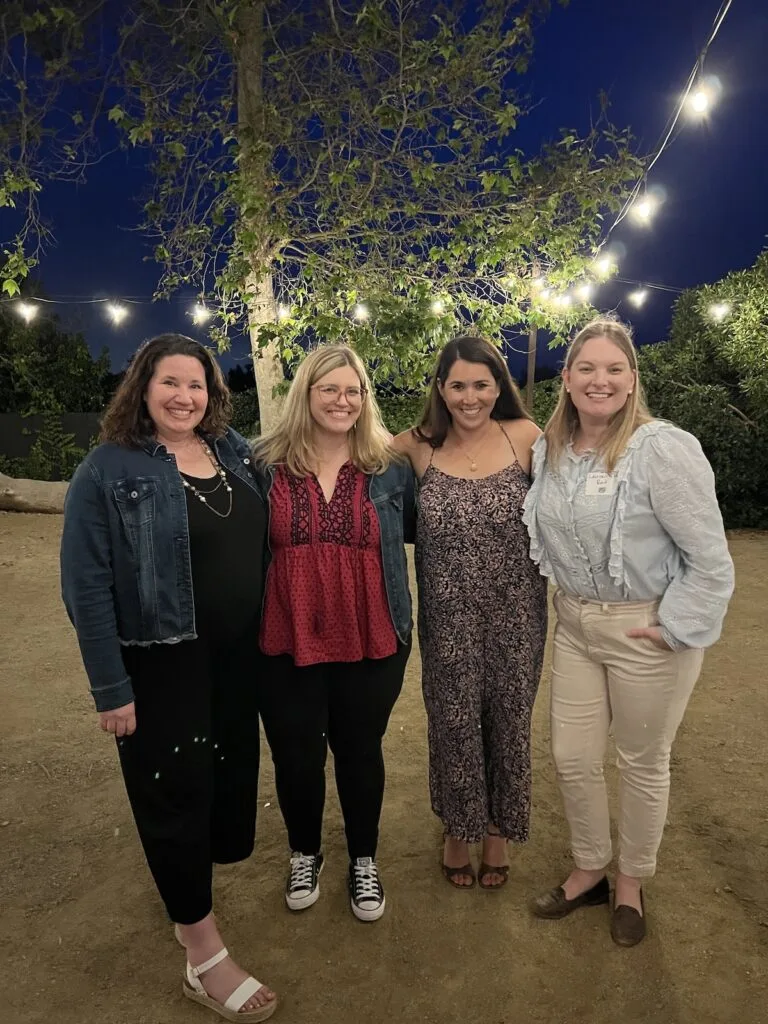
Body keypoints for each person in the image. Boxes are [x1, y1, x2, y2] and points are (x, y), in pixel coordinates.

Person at [60, 334, 277, 1022]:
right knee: (175, 798)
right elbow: (86, 585)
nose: (185, 397)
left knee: (218, 790)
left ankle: (184, 893)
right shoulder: (108, 468)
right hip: (160, 662)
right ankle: (204, 958)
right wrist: (110, 687)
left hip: (238, 661)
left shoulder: (235, 453)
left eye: (198, 385)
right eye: (170, 383)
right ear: (141, 389)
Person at [523, 316, 734, 947]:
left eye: (614, 369)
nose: (600, 380)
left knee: (642, 762)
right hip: (576, 625)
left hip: (645, 628)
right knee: (572, 758)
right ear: (566, 379)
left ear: (632, 378)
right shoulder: (550, 449)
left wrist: (673, 627)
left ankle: (631, 882)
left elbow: (711, 559)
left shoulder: (661, 448)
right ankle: (589, 868)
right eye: (586, 368)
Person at [253, 344, 414, 923]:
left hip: (371, 633)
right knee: (295, 753)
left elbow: (426, 534)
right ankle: (305, 852)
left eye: (353, 390)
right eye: (329, 389)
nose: (342, 400)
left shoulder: (389, 467)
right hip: (283, 634)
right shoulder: (262, 463)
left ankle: (363, 858)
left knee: (359, 750)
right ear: (306, 394)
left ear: (364, 398)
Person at [394, 335, 547, 891]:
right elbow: (352, 456)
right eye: (457, 384)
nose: (470, 396)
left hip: (518, 614)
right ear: (440, 389)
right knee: (454, 724)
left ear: (499, 386)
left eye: (482, 384)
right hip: (447, 617)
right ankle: (458, 830)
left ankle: (499, 830)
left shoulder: (528, 437)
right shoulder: (417, 446)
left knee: (508, 722)